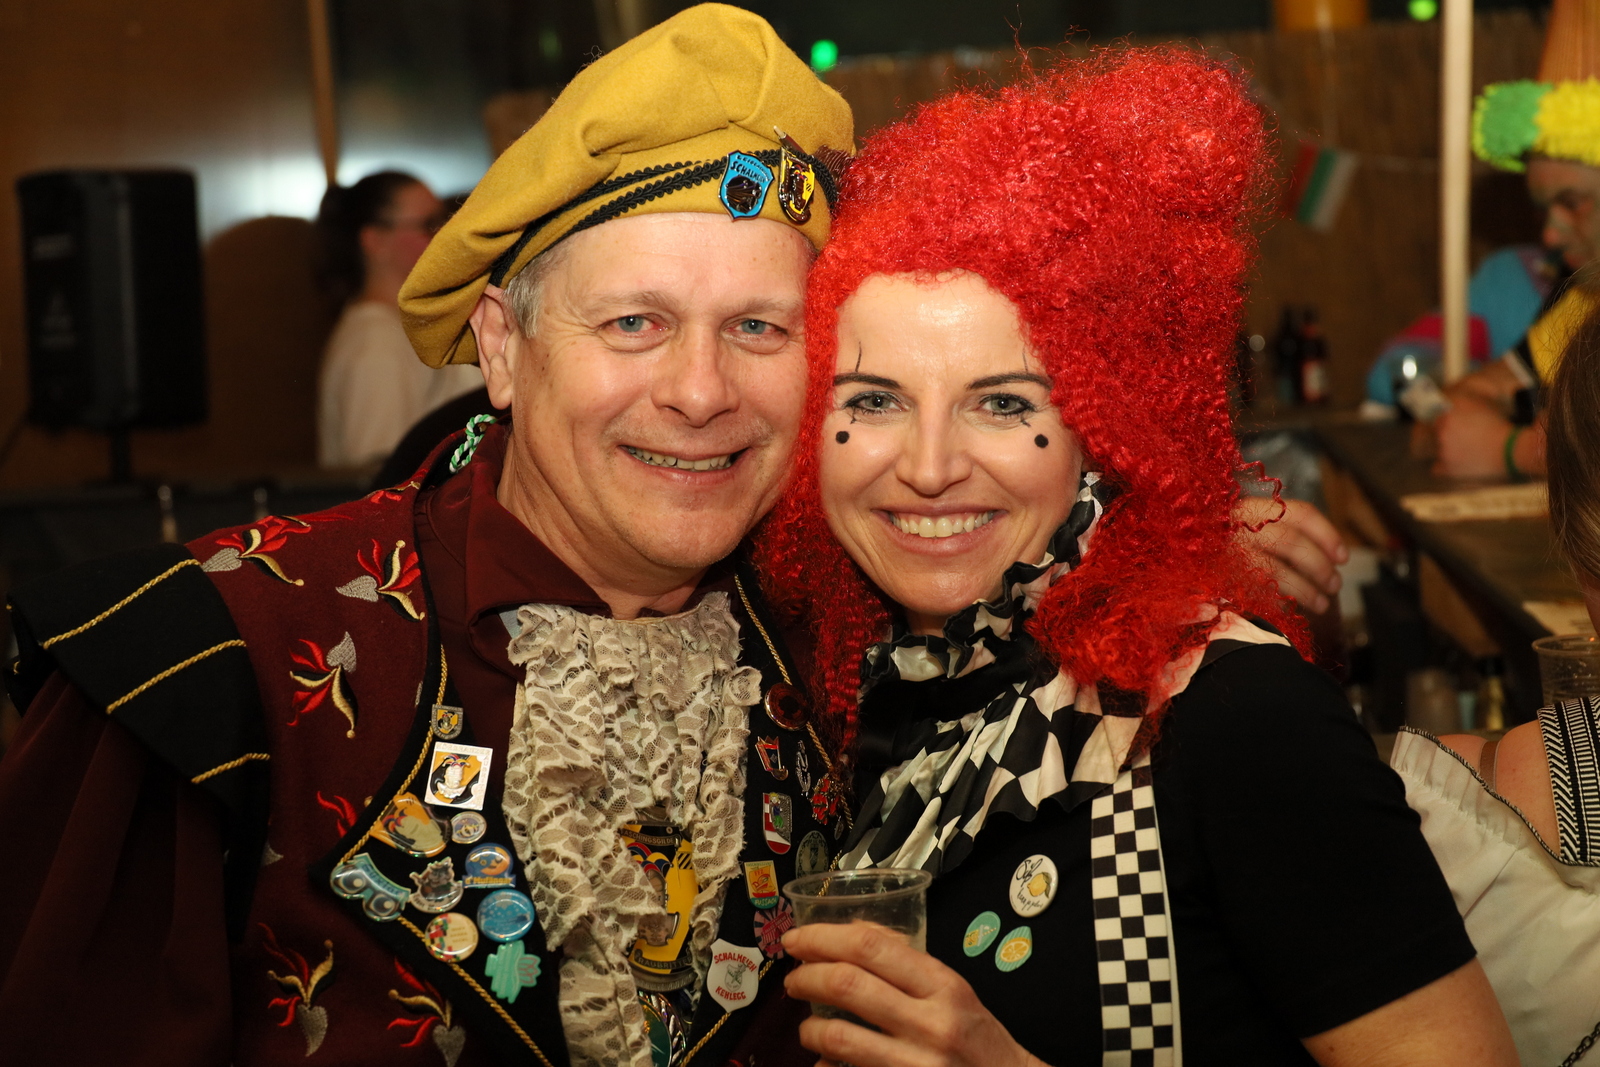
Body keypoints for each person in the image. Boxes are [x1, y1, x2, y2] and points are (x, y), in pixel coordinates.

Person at [0, 7, 855, 1065]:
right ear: (501, 346)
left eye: (760, 327)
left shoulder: (857, 652)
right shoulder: (213, 660)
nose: (700, 389)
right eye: (634, 322)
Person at [752, 49, 1518, 1066]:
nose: (927, 467)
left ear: (1106, 430)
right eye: (875, 400)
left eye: (1003, 402)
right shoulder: (865, 693)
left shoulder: (1237, 718)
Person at [1392, 296, 1600, 1065]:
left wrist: (1512, 446)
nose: (1557, 239)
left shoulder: (1464, 819)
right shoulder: (1569, 299)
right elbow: (1448, 397)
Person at [1429, 0, 1600, 480]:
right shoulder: (1581, 302)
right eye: (1544, 208)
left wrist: (1511, 450)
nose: (1549, 233)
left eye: (1573, 202)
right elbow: (1476, 392)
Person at [316, 170, 480, 469]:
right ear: (375, 241)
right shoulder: (375, 342)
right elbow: (376, 473)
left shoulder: (401, 327)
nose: (444, 234)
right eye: (428, 224)